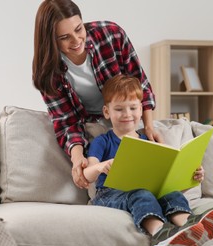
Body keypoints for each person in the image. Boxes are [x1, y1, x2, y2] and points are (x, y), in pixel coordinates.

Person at [84, 74, 213, 246]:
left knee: (170, 194)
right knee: (141, 194)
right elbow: (88, 174)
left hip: (147, 190)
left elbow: (165, 181)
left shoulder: (147, 141)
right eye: (119, 109)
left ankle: (188, 225)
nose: (127, 114)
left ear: (141, 109)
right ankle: (160, 234)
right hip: (109, 194)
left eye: (133, 108)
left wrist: (191, 178)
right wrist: (101, 166)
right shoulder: (103, 141)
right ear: (106, 112)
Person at [32, 0, 162, 190]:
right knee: (109, 179)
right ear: (51, 39)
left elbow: (139, 82)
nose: (76, 41)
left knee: (154, 168)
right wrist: (77, 158)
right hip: (92, 124)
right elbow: (66, 121)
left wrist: (149, 125)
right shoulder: (48, 71)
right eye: (64, 37)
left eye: (78, 29)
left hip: (127, 116)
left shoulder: (111, 34)